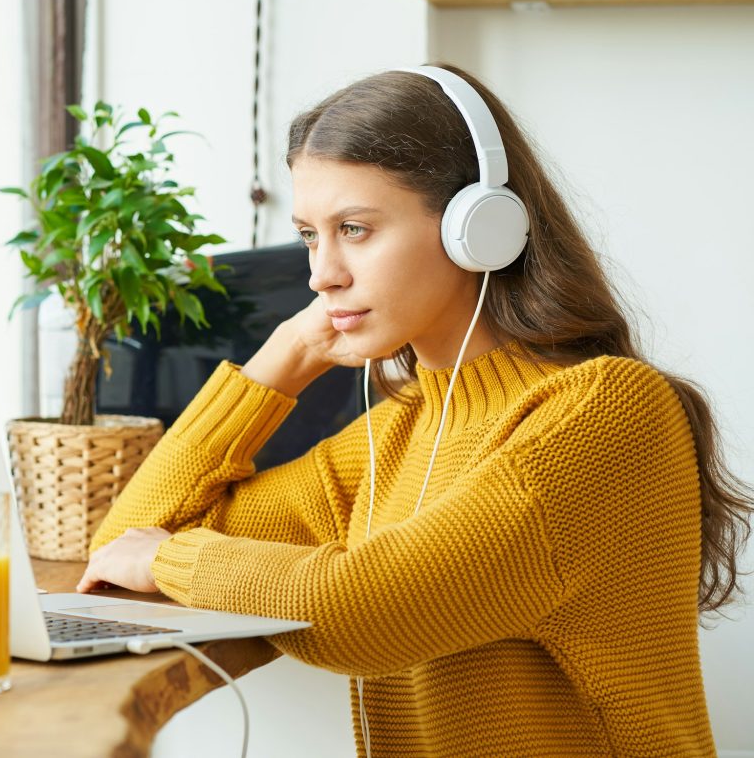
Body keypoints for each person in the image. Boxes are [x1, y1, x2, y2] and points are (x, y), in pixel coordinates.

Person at [75, 63, 751, 756]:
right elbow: (121, 546)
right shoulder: (394, 432)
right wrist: (282, 356)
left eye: (356, 228)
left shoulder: (607, 414)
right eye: (311, 234)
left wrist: (167, 560)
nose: (320, 273)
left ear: (477, 228)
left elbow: (358, 613)